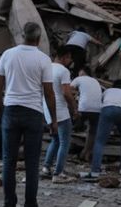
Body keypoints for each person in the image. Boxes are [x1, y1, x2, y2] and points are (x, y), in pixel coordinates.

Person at [0, 22, 57, 207]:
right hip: (33, 113)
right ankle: (30, 203)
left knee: (8, 161)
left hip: (11, 110)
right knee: (32, 163)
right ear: (38, 39)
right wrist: (53, 120)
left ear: (22, 36)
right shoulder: (44, 59)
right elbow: (49, 92)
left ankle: (9, 202)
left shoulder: (8, 54)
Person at [82, 79, 121, 179]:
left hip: (108, 109)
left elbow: (101, 104)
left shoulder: (107, 91)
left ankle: (95, 171)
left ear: (113, 86)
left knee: (100, 141)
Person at [42, 47, 78, 183]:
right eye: (69, 58)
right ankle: (58, 173)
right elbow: (66, 93)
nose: (70, 61)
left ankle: (46, 167)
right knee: (64, 142)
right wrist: (74, 108)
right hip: (60, 110)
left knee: (55, 140)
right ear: (64, 57)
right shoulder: (63, 71)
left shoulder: (46, 68)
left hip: (47, 109)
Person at [70, 66, 103, 163]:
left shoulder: (79, 78)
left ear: (83, 73)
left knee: (73, 126)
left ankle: (67, 147)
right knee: (92, 132)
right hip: (97, 109)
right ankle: (86, 153)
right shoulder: (96, 81)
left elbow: (68, 90)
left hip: (83, 107)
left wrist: (74, 101)